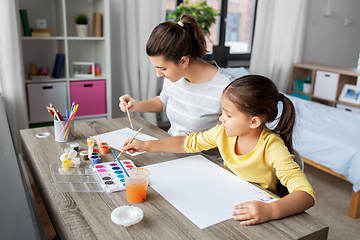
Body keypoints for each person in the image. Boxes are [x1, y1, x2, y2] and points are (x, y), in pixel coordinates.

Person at [121, 75, 316, 226]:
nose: (221, 119)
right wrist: (145, 145)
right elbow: (186, 143)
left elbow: (306, 194)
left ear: (254, 121)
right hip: (226, 199)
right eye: (222, 111)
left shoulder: (272, 146)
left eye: (229, 115)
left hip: (254, 209)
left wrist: (271, 211)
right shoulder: (223, 132)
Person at [119, 14, 234, 137]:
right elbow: (163, 101)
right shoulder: (175, 76)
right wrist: (137, 105)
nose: (159, 75)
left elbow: (236, 139)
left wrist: (191, 143)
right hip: (173, 149)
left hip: (204, 156)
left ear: (183, 62)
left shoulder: (227, 87)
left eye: (163, 69)